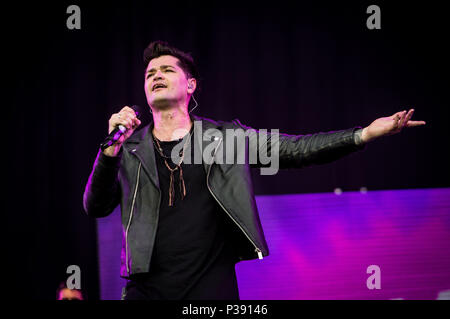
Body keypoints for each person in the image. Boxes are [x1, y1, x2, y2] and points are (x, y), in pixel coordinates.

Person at [83, 40, 426, 300]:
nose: (156, 75)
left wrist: (363, 133)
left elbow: (295, 150)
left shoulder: (223, 139)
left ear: (190, 86)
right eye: (150, 74)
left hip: (210, 286)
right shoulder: (128, 147)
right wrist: (109, 151)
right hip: (147, 289)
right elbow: (95, 206)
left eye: (167, 70)